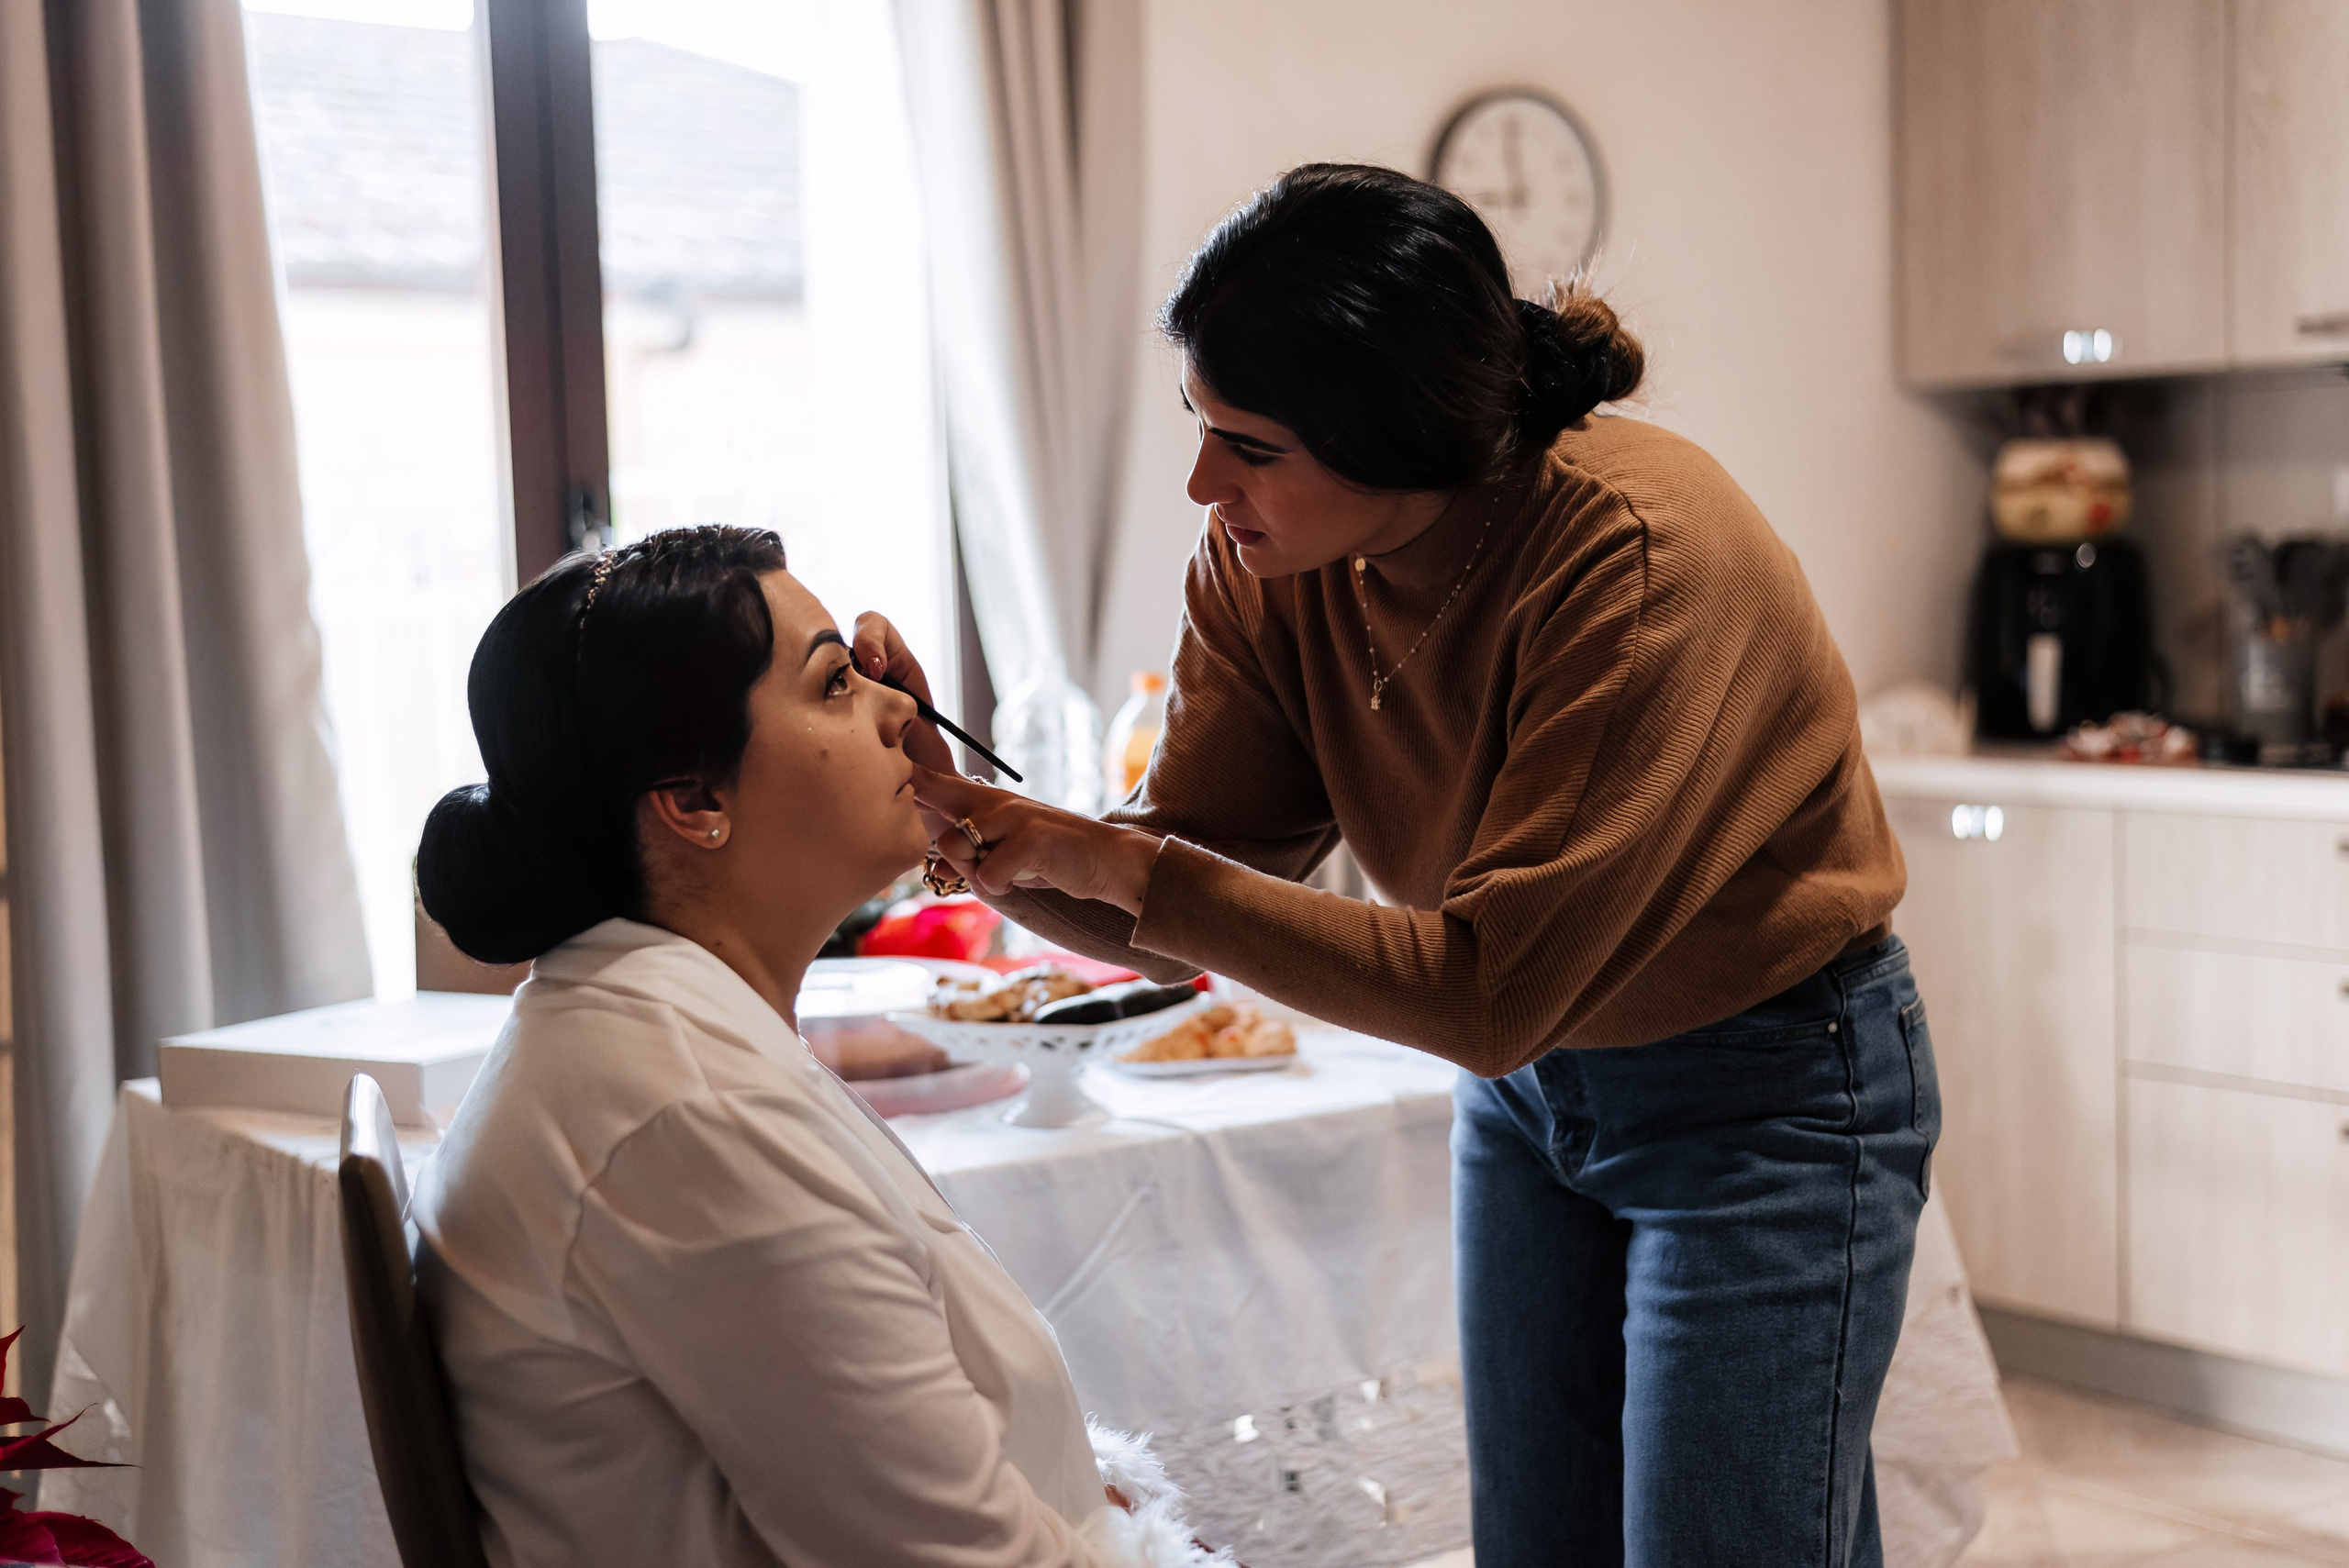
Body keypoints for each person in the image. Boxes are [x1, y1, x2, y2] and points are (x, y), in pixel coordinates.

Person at [870, 165, 1937, 1567]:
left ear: (1394, 436)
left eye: (1249, 445)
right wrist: (961, 820)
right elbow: (1179, 903)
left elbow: (1484, 991)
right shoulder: (1263, 560)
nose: (1205, 484)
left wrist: (1110, 858)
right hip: (1528, 1097)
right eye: (1200, 424)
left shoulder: (1635, 559)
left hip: (1764, 1090)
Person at [411, 526, 1227, 1568]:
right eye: (837, 681)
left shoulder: (657, 1035)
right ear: (695, 801)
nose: (900, 709)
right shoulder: (688, 1116)